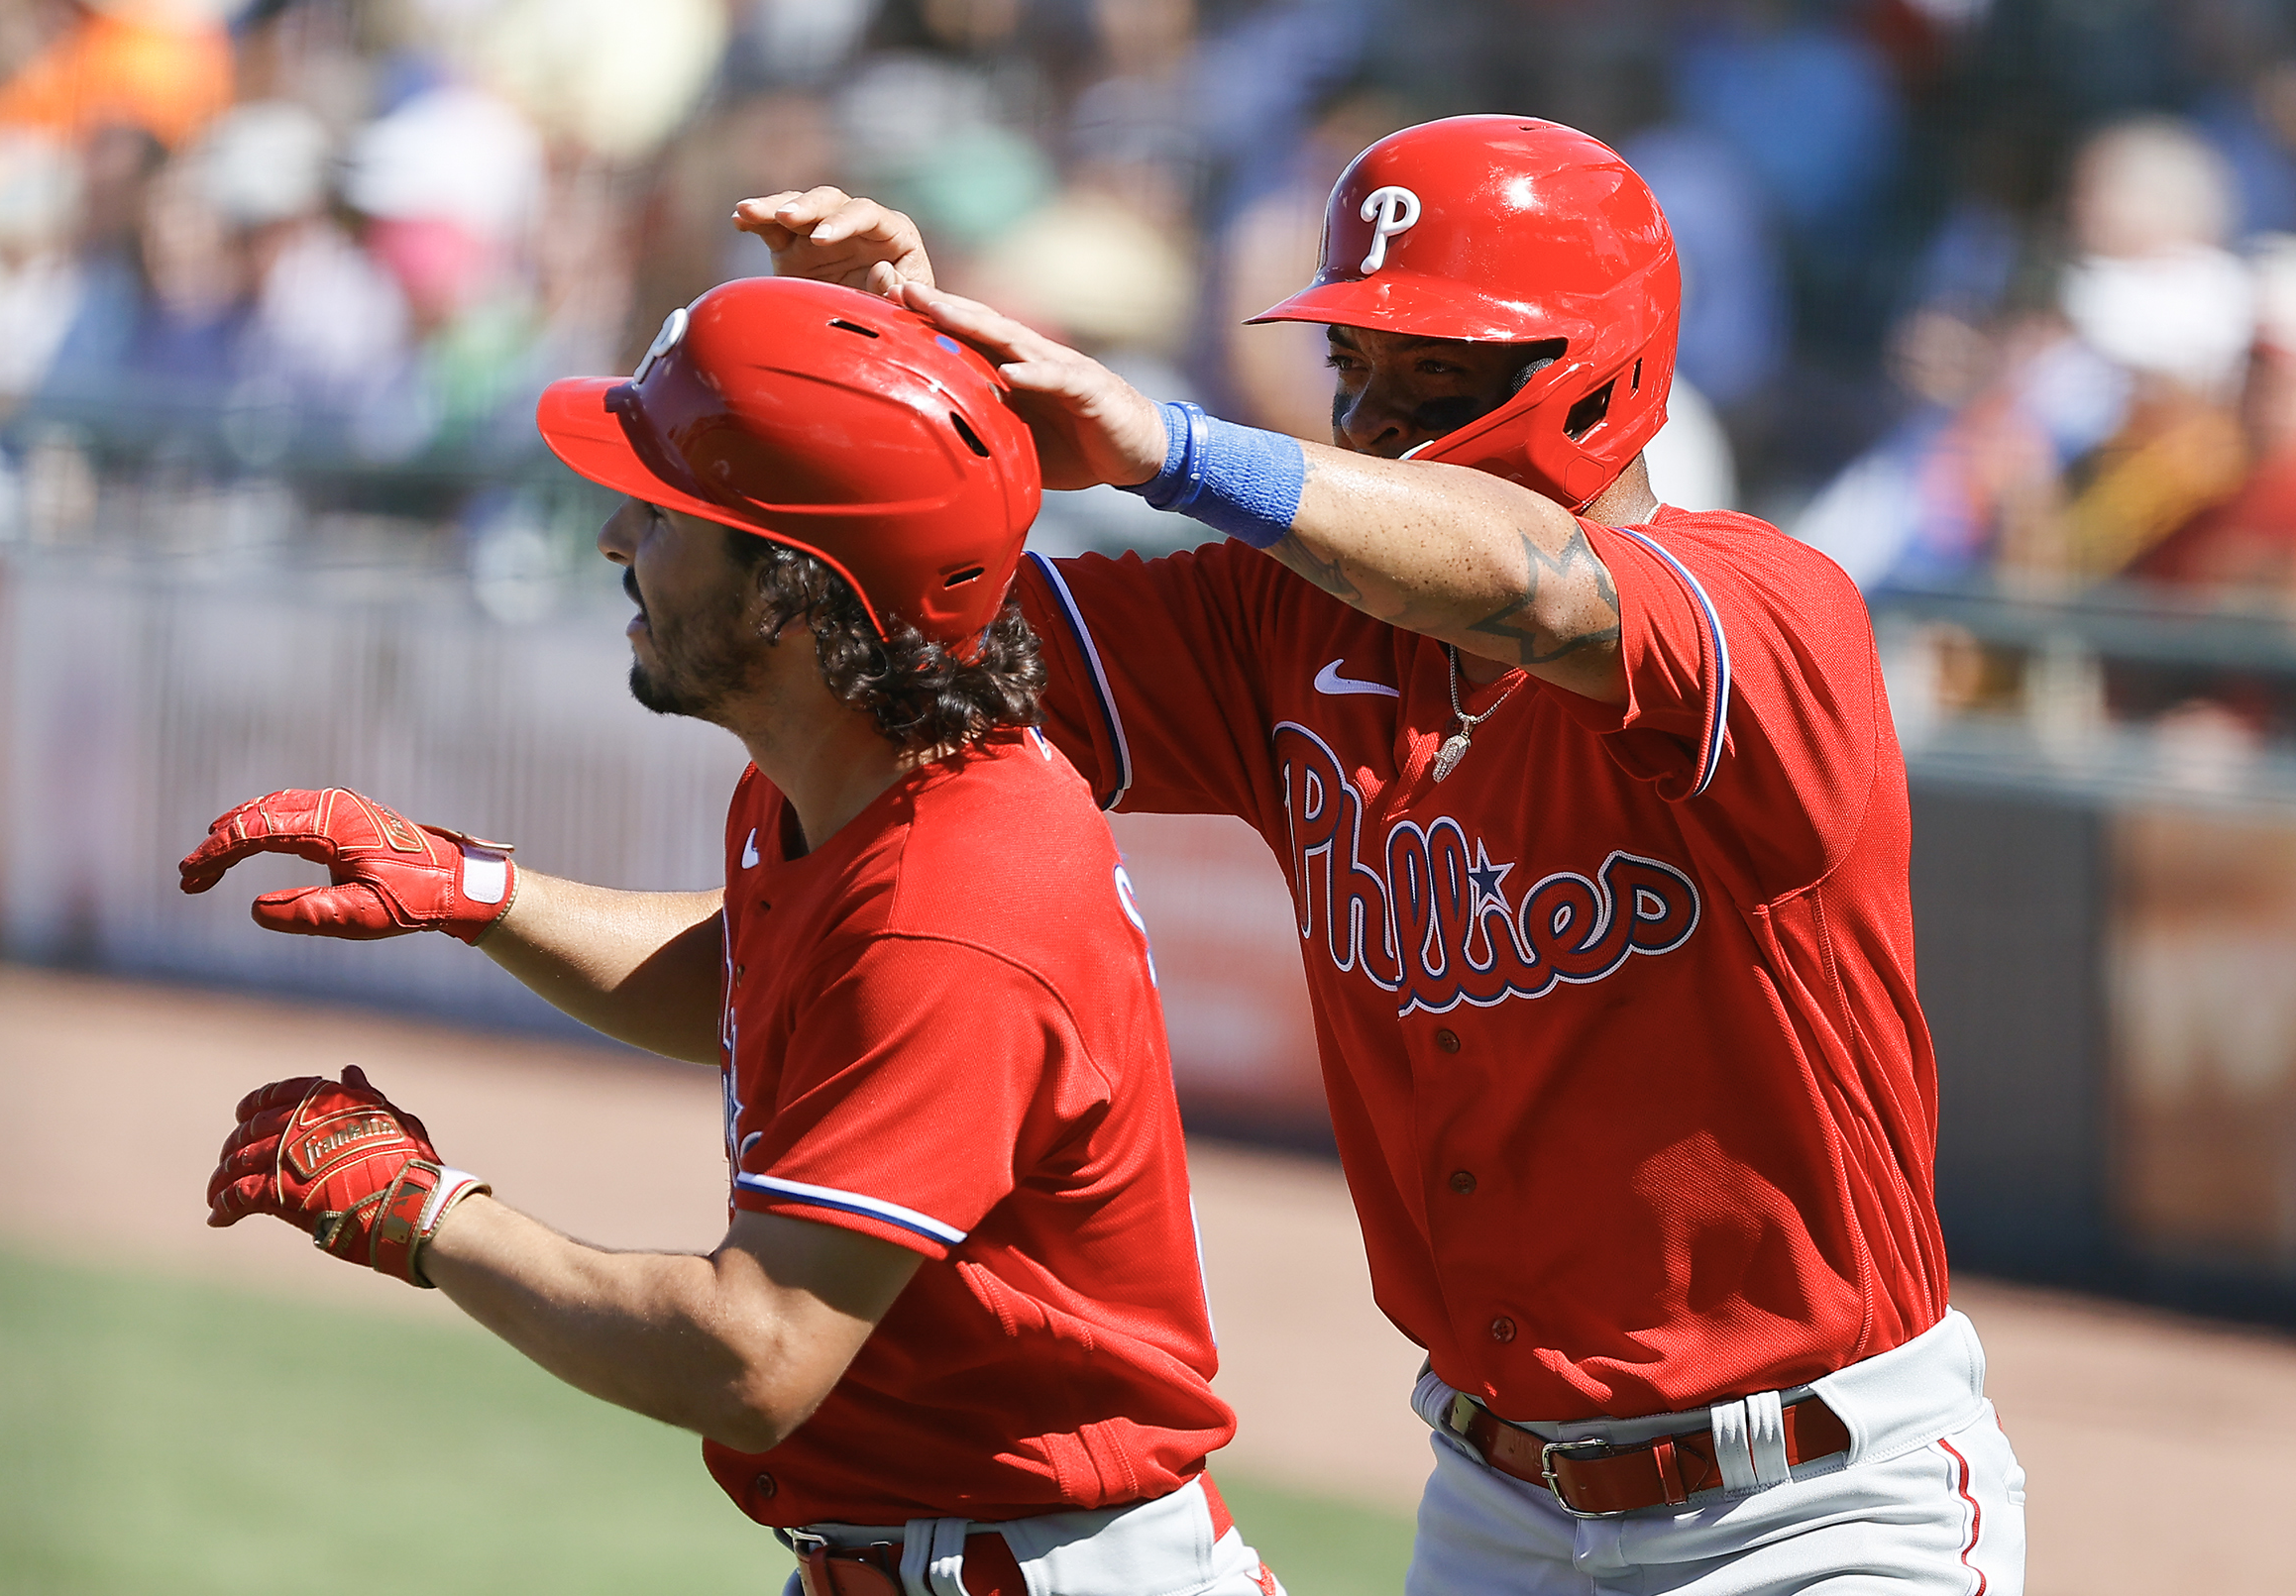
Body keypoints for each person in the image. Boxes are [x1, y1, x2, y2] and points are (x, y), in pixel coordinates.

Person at [732, 115, 2029, 1595]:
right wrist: (889, 379)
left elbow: (1538, 591)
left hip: (1814, 1506)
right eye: (1356, 368)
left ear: (1599, 372)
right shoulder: (1288, 627)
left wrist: (1171, 447)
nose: (1375, 417)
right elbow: (910, 633)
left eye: (1440, 374)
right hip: (1495, 1503)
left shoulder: (1772, 609)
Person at [176, 275, 1283, 1596]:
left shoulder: (961, 905)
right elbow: (774, 982)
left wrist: (427, 1213)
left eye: (662, 511)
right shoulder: (862, 771)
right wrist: (479, 892)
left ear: (787, 596)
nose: (612, 536)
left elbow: (756, 1355)